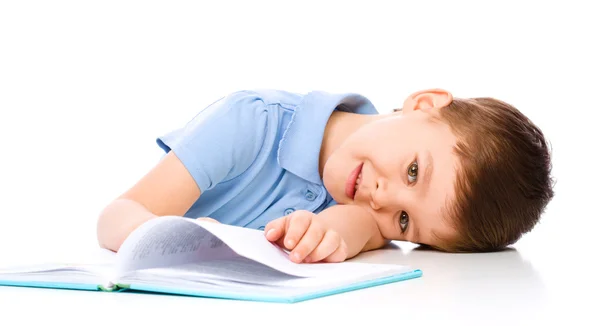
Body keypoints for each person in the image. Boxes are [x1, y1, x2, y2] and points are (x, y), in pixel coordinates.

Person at [96, 88, 554, 263]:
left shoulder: (367, 213)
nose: (381, 200)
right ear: (424, 104)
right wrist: (186, 237)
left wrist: (334, 231)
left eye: (404, 221)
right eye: (414, 172)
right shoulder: (250, 123)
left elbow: (359, 229)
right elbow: (116, 216)